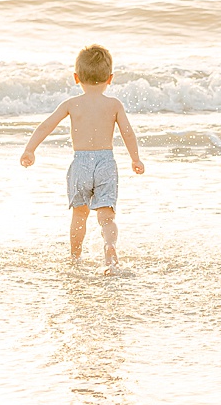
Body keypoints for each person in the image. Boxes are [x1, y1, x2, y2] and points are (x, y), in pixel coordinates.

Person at [19, 44, 146, 272]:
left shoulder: (71, 104)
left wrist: (30, 149)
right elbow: (128, 132)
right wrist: (135, 159)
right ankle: (109, 247)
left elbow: (47, 125)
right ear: (110, 78)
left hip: (80, 164)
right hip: (106, 162)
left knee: (79, 214)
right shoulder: (114, 105)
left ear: (76, 77)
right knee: (106, 215)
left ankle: (75, 259)